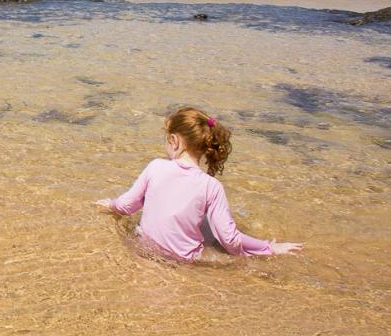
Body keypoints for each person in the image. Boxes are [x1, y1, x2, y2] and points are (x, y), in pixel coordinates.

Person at [94, 106, 302, 262]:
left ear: (174, 140)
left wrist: (110, 205)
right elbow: (230, 240)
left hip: (145, 249)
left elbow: (126, 206)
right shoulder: (211, 186)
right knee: (211, 225)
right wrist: (269, 247)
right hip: (184, 260)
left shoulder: (156, 166)